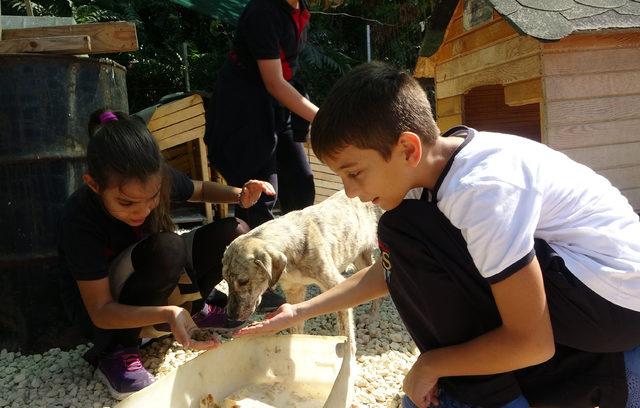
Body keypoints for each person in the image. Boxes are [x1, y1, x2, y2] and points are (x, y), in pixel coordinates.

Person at [235, 62, 640, 407]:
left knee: (403, 229)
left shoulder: (479, 191)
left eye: (354, 173)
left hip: (616, 307)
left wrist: (431, 365)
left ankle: (484, 395)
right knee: (405, 231)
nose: (351, 192)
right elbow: (391, 272)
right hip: (592, 292)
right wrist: (301, 311)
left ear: (408, 148)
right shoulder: (436, 169)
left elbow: (534, 343)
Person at [57, 109, 275, 400]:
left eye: (154, 197)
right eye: (127, 202)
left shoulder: (154, 176)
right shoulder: (79, 219)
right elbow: (99, 311)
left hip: (155, 282)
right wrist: (169, 313)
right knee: (169, 246)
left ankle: (196, 310)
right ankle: (118, 350)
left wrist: (240, 194)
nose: (143, 211)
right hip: (111, 311)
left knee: (236, 232)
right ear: (94, 185)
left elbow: (198, 189)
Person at [205, 0, 318, 229]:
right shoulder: (263, 11)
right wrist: (324, 118)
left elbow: (283, 78)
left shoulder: (299, 7)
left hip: (276, 106)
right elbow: (274, 82)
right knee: (259, 195)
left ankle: (299, 252)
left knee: (300, 183)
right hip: (244, 109)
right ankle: (252, 259)